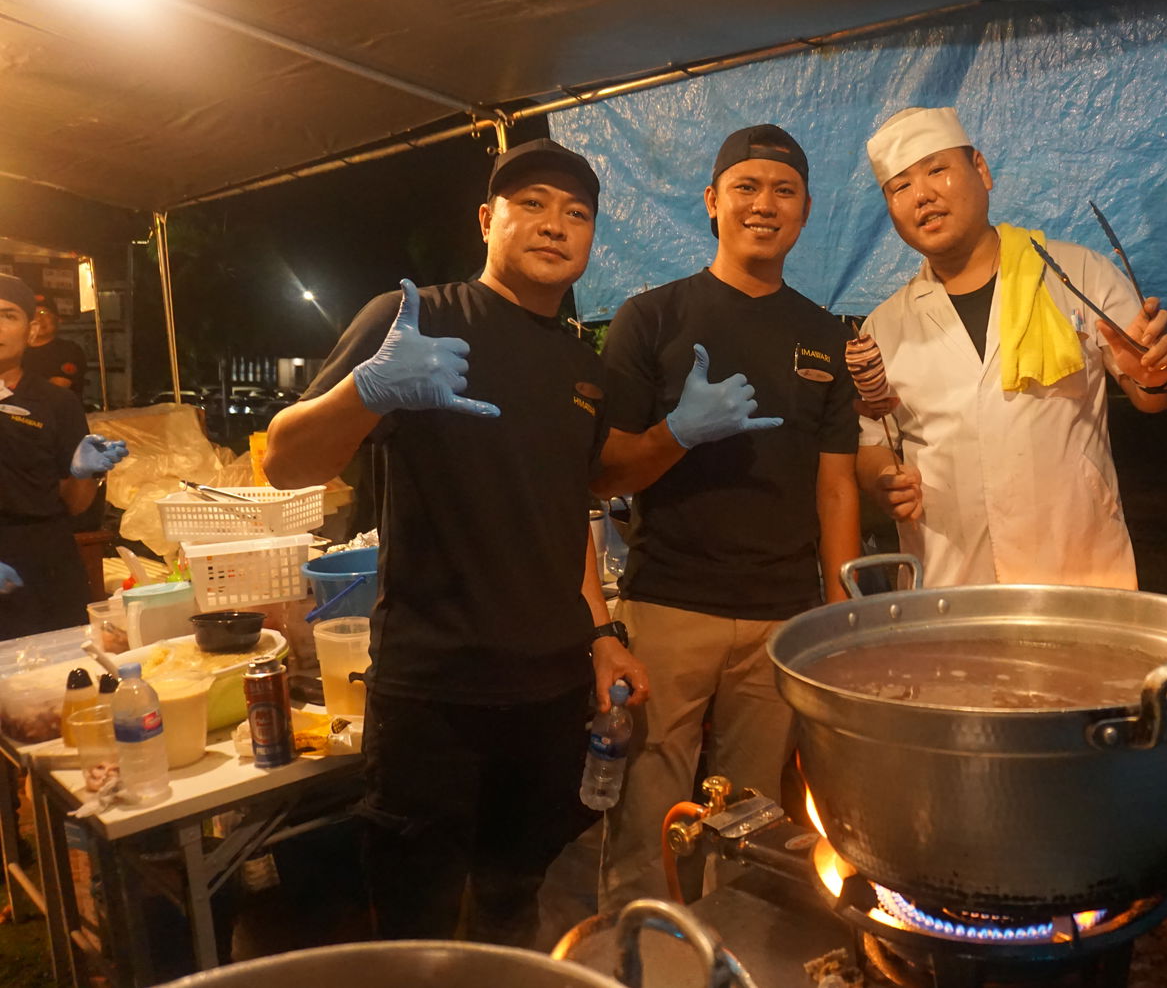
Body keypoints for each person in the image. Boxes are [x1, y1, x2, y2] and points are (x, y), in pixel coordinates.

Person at [263, 139, 649, 946]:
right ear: (487, 220)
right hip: (435, 692)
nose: (555, 225)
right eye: (532, 204)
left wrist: (603, 633)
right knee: (418, 919)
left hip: (548, 693)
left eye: (577, 214)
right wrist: (368, 390)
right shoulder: (417, 318)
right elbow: (282, 461)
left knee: (515, 896)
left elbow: (564, 508)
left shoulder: (582, 367)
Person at [591, 124, 859, 911]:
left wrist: (838, 617)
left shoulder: (826, 336)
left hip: (781, 616)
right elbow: (604, 469)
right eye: (745, 187)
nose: (763, 204)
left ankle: (729, 958)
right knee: (651, 821)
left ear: (806, 210)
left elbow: (837, 486)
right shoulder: (652, 317)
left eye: (783, 190)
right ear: (713, 203)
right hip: (669, 605)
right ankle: (640, 952)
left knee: (753, 828)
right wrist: (677, 433)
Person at [855, 107, 1167, 589]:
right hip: (949, 577)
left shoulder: (1078, 276)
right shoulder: (885, 326)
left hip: (1075, 563)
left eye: (937, 170)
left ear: (981, 170)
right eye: (899, 187)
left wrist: (1156, 374)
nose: (921, 195)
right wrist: (884, 481)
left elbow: (1152, 393)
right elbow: (871, 442)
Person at [0, 276, 126, 639]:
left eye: (9, 315)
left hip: (48, 560)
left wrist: (83, 472)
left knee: (66, 673)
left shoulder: (57, 403)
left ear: (32, 328)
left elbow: (74, 505)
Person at [24, 297, 89, 398]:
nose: (38, 318)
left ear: (58, 320)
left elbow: (56, 389)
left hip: (57, 412)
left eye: (43, 313)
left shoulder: (69, 350)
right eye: (32, 314)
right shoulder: (13, 350)